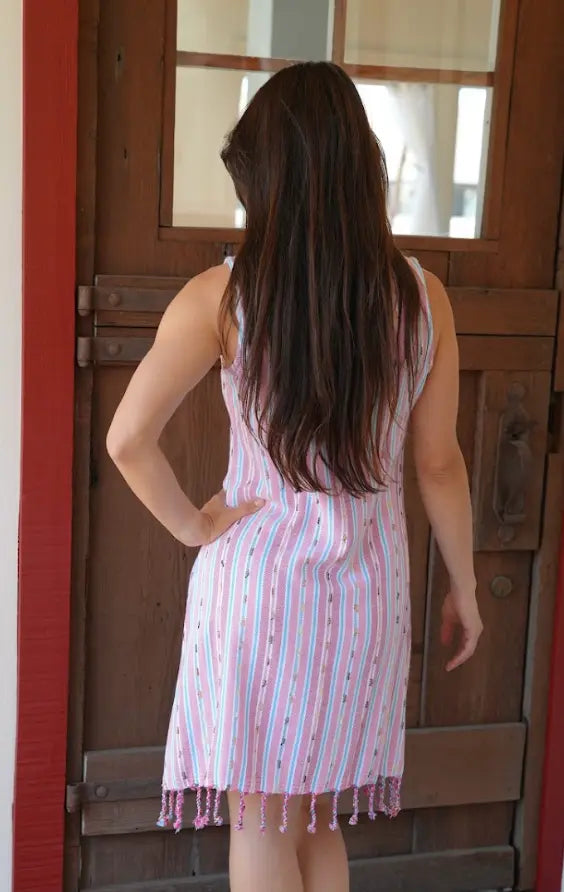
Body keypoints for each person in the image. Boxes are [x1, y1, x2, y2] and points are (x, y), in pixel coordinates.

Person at [107, 61, 483, 892]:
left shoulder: (224, 298)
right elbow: (438, 462)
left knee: (263, 823)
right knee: (312, 819)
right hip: (362, 601)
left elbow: (129, 438)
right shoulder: (424, 300)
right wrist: (464, 586)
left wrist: (193, 526)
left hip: (256, 597)